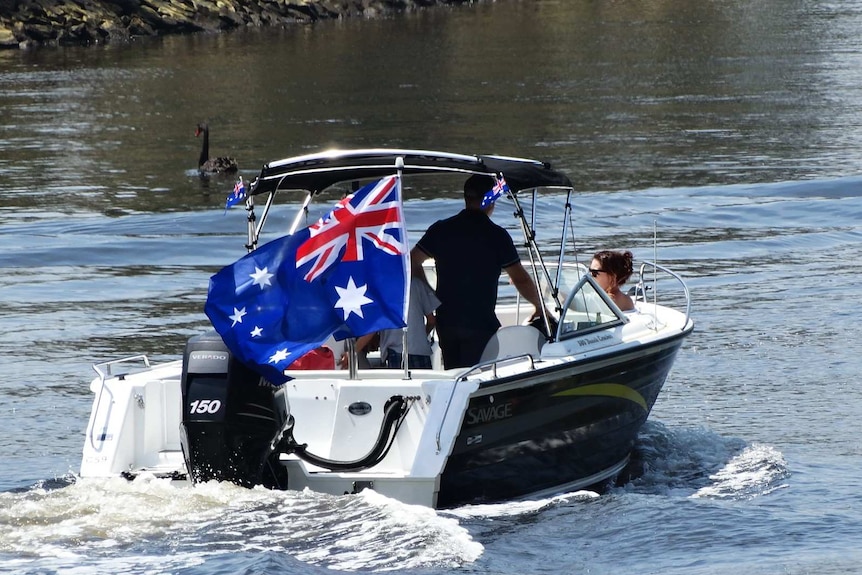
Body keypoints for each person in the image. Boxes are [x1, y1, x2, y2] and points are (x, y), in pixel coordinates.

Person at [410, 174, 546, 369]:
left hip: (447, 321)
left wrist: (430, 298)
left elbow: (413, 260)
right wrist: (540, 306)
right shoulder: (497, 236)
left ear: (466, 197)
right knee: (477, 378)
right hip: (480, 323)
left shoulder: (441, 229)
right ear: (490, 200)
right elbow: (520, 279)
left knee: (453, 375)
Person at [379, 280, 441, 369]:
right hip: (420, 348)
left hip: (395, 350)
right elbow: (431, 320)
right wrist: (422, 334)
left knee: (398, 382)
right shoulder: (417, 284)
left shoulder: (382, 286)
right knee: (422, 382)